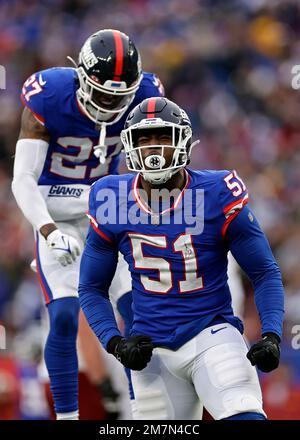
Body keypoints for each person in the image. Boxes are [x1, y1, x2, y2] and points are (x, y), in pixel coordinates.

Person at [79, 97, 284, 420]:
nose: (154, 148)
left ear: (184, 142)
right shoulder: (111, 198)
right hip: (151, 352)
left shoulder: (216, 192)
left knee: (243, 413)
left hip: (212, 336)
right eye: (144, 139)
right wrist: (115, 343)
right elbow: (91, 287)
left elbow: (264, 271)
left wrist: (271, 334)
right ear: (130, 146)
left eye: (163, 136)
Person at [11, 29, 164, 420]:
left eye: (120, 96)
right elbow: (23, 179)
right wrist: (46, 229)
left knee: (136, 311)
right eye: (103, 93)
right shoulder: (50, 96)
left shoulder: (147, 96)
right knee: (63, 314)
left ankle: (143, 412)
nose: (110, 104)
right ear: (80, 77)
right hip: (55, 209)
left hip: (108, 208)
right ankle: (67, 417)